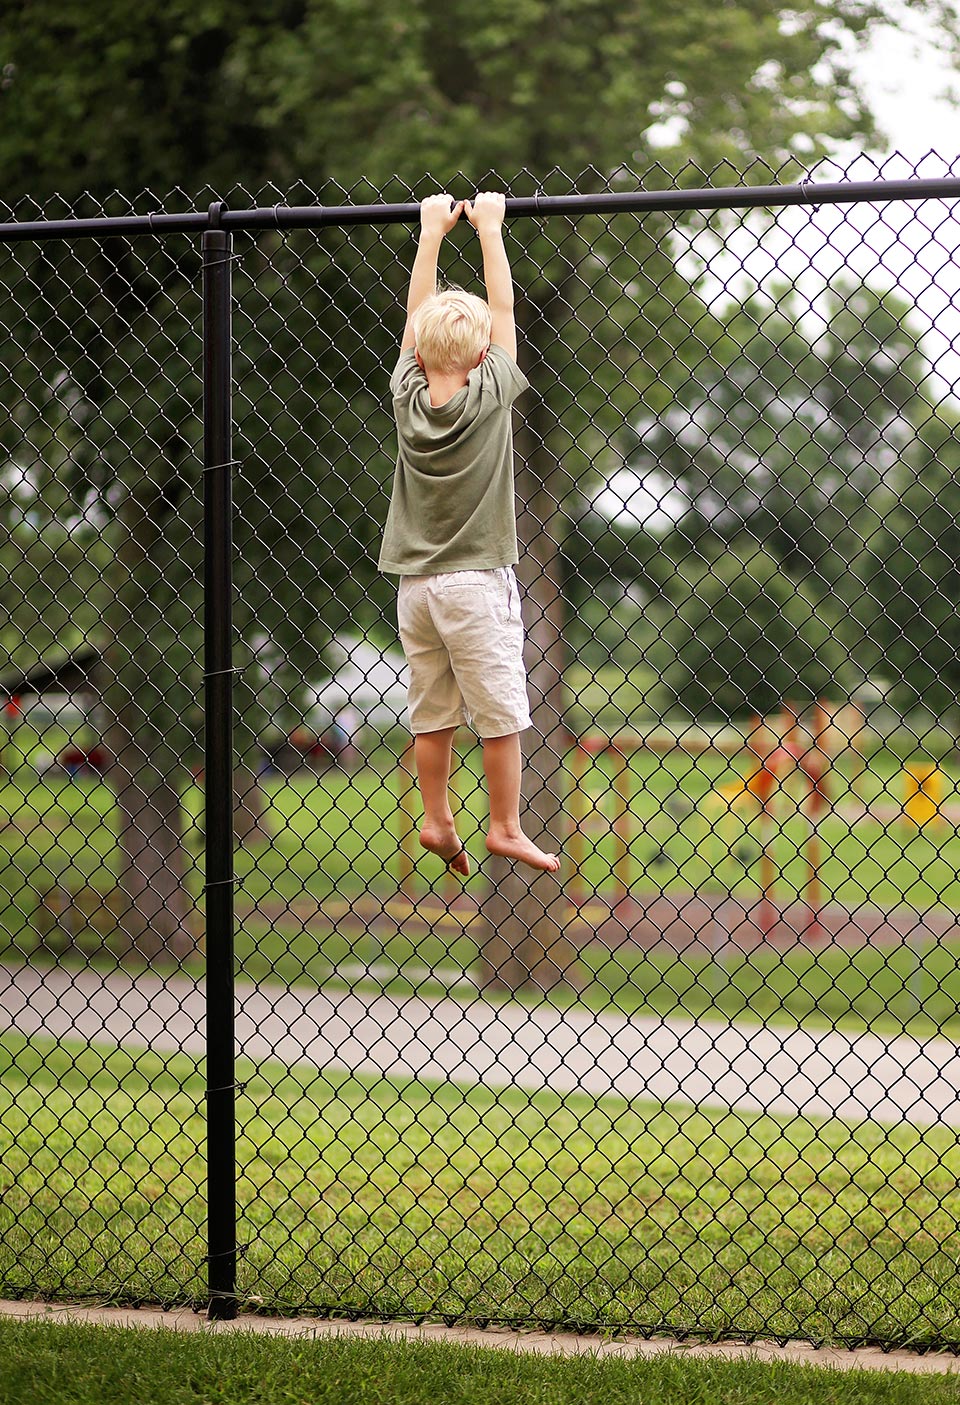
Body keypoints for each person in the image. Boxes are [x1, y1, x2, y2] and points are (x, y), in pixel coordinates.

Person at [378, 190, 561, 877]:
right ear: (484, 353)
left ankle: (435, 817)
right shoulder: (491, 394)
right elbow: (506, 309)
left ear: (419, 353)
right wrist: (490, 230)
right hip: (476, 583)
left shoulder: (407, 393)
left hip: (416, 588)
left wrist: (431, 233)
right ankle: (506, 825)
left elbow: (413, 317)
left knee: (433, 712)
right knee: (499, 713)